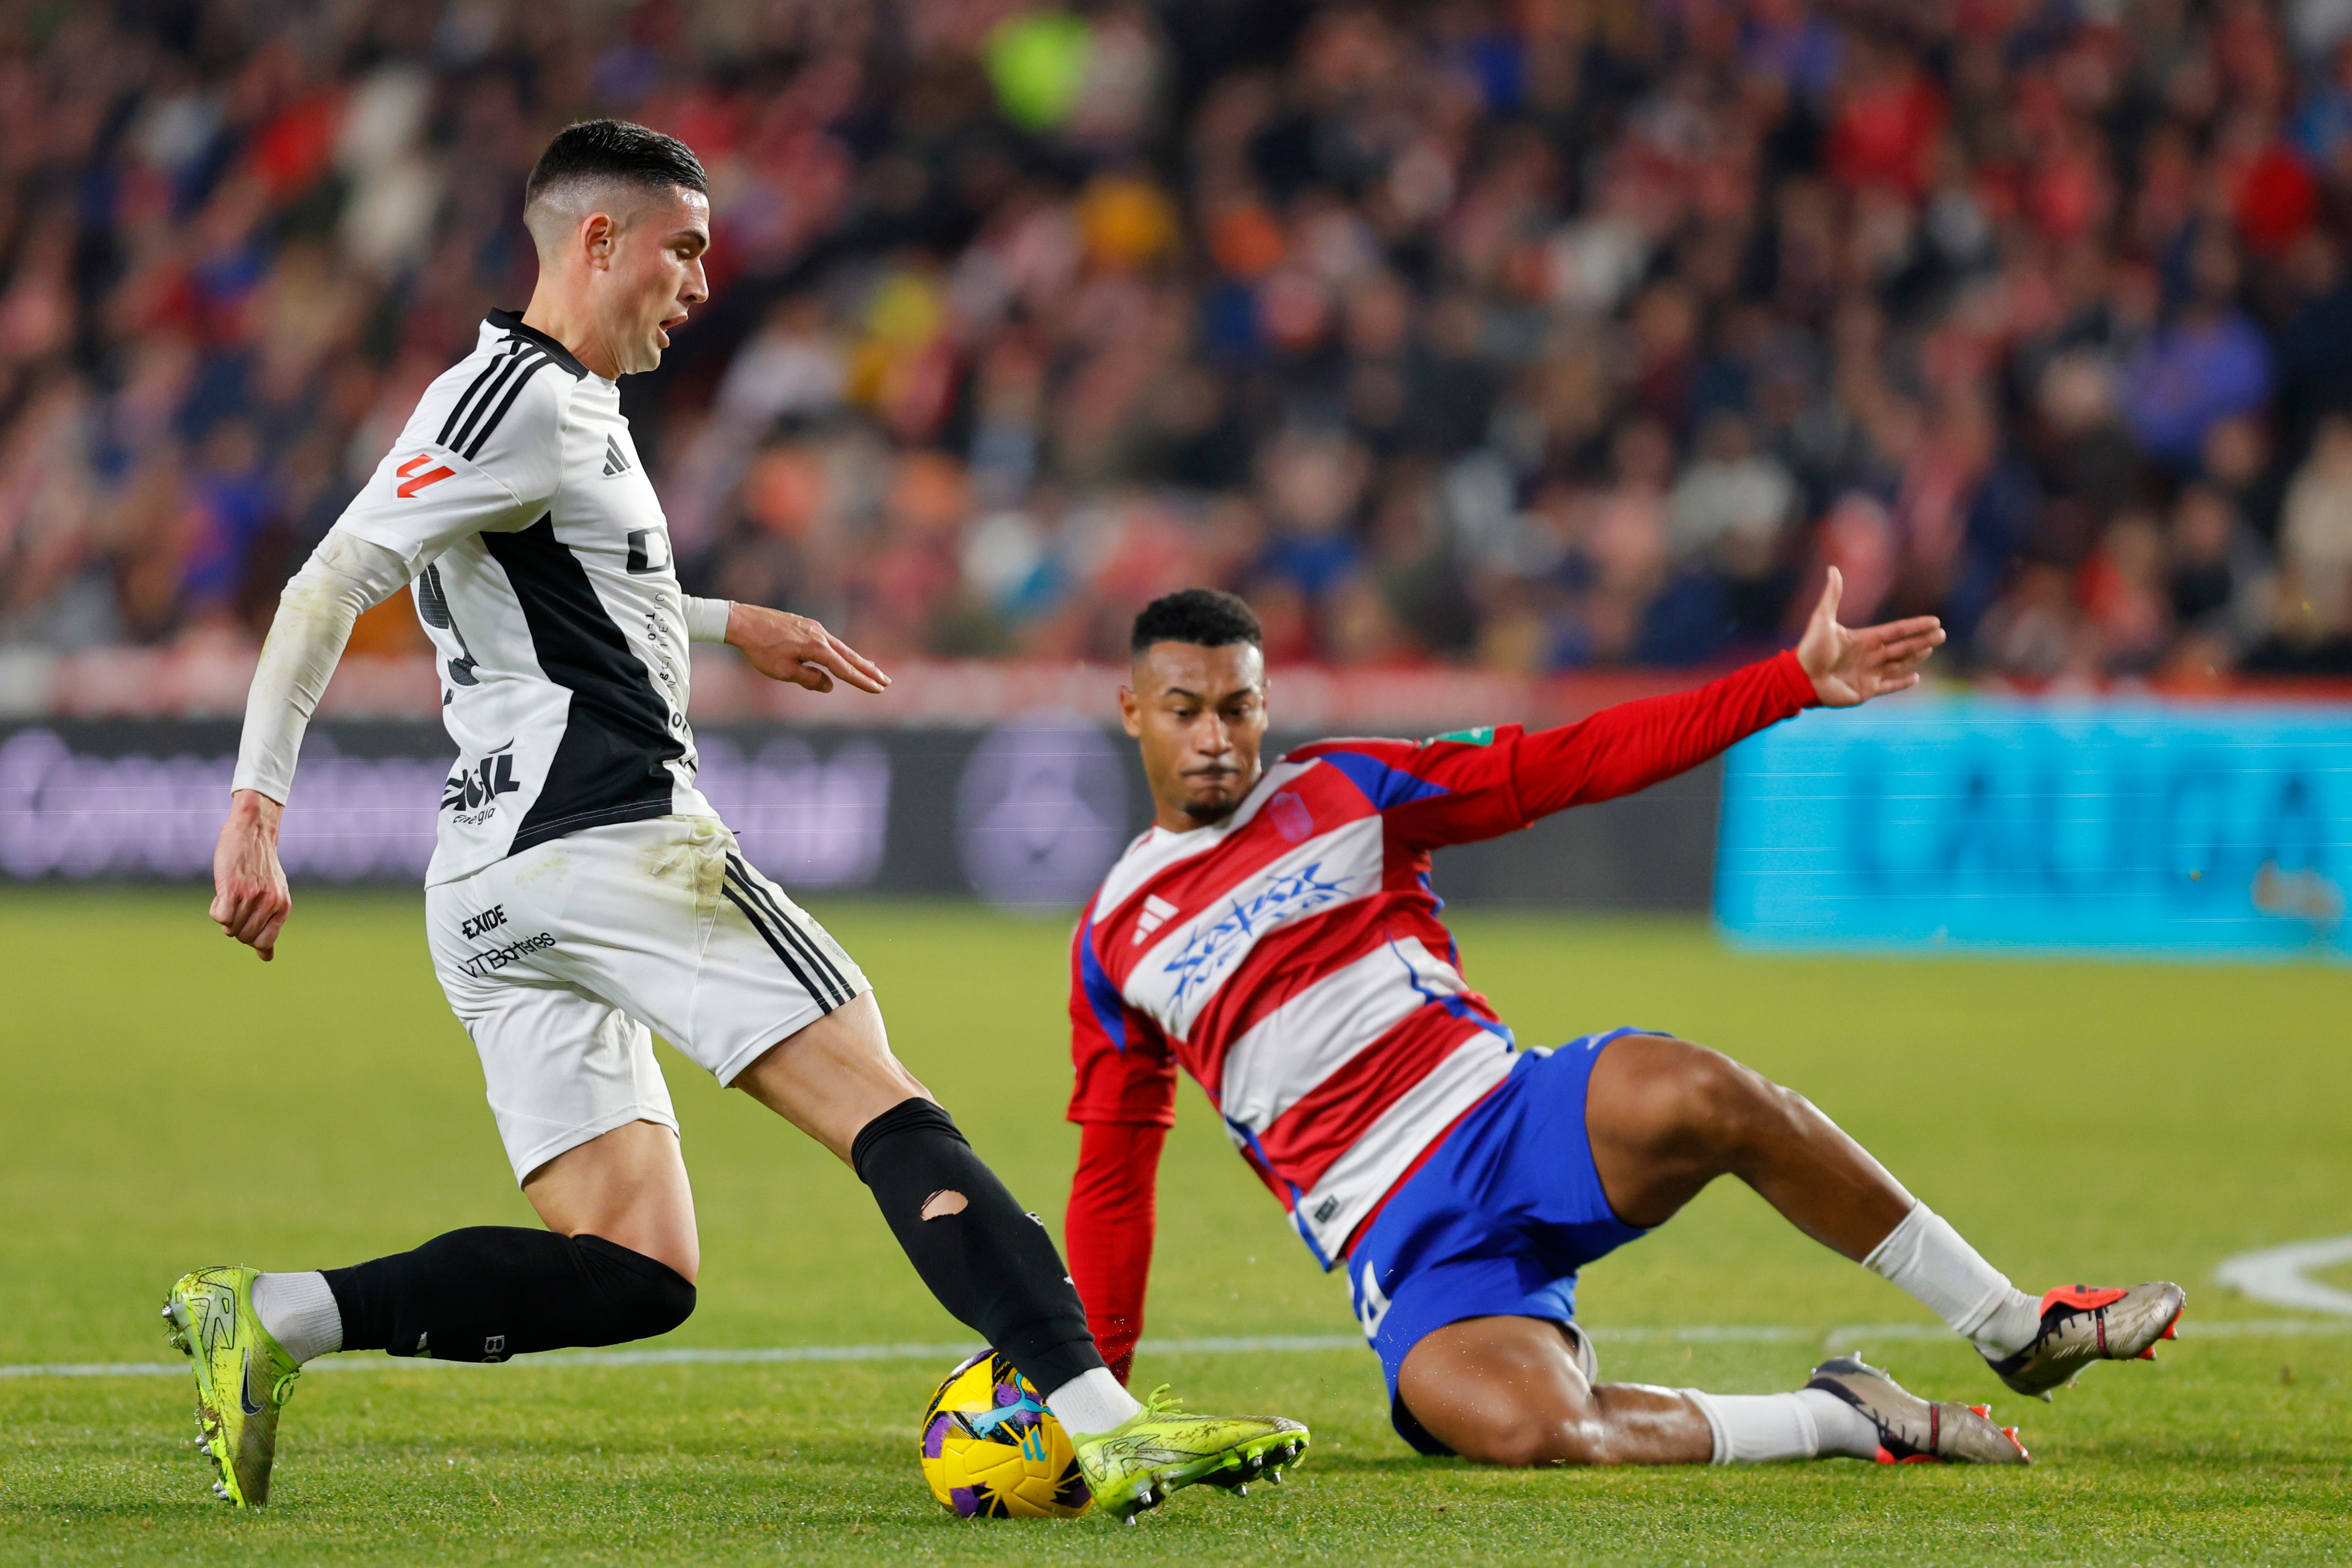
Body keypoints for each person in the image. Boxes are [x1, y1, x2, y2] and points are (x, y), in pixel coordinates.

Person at [181, 120, 1304, 1519]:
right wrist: (255, 808)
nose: (703, 282)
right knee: (884, 1105)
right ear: (597, 240)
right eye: (686, 249)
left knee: (635, 1264)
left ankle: (275, 1317)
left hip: (486, 882)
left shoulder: (555, 406)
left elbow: (549, 593)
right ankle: (1105, 1418)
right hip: (609, 837)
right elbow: (326, 587)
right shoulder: (509, 401)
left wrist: (724, 623)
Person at [1062, 584, 2185, 1467]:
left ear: (1264, 705)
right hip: (1405, 1247)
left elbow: (1578, 761)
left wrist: (1785, 683)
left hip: (1512, 1118)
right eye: (1185, 709)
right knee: (1538, 1435)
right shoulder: (1114, 934)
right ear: (1132, 713)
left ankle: (2011, 1326)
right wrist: (1096, 1397)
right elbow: (1115, 1177)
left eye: (1238, 706)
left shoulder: (1350, 787)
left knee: (1703, 1092)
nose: (1215, 737)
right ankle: (1845, 1416)